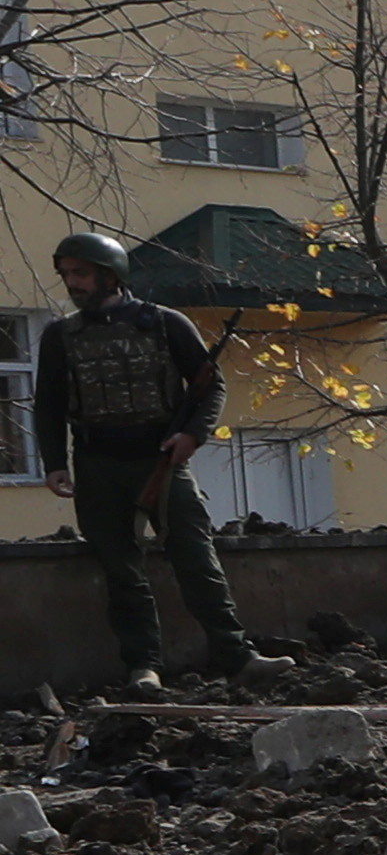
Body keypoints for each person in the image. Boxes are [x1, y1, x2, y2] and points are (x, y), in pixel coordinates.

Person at [28, 229, 257, 694]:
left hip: (162, 459)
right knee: (121, 572)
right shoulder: (60, 336)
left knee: (196, 560)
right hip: (96, 464)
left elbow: (208, 385)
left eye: (82, 274)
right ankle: (143, 667)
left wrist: (192, 436)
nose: (73, 283)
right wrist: (55, 463)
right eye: (67, 274)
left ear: (110, 276)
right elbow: (47, 404)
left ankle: (237, 657)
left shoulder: (165, 323)